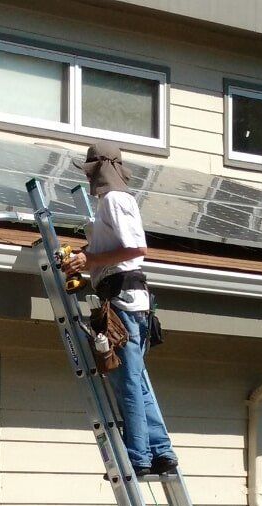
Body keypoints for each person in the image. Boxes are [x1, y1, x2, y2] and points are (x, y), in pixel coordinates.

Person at [64, 141, 178, 477]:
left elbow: (135, 248)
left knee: (127, 382)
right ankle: (161, 451)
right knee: (136, 381)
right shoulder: (111, 201)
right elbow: (113, 249)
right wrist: (84, 258)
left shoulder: (115, 199)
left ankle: (138, 457)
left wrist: (90, 258)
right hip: (126, 298)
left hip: (123, 301)